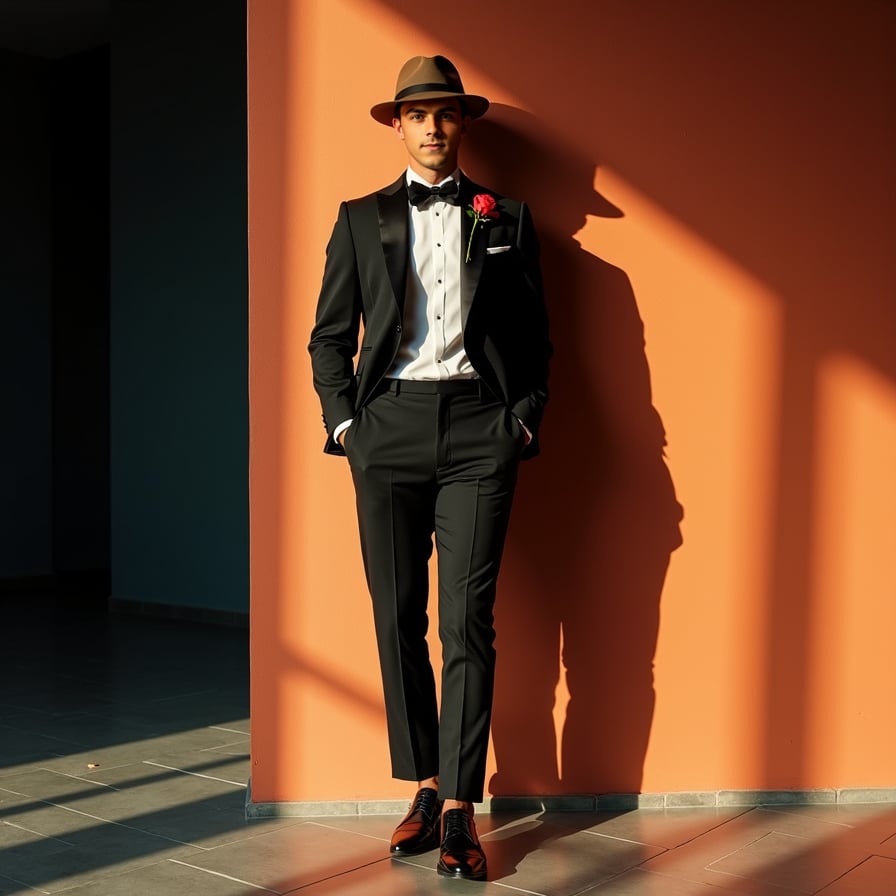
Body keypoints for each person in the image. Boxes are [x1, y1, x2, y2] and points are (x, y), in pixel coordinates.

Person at [308, 54, 551, 881]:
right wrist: (347, 425)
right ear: (399, 125)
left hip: (483, 427)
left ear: (463, 123)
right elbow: (329, 336)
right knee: (396, 613)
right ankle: (420, 784)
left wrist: (520, 420)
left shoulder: (507, 216)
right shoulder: (359, 217)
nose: (434, 127)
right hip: (389, 430)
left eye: (446, 113)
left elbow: (537, 339)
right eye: (419, 114)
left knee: (467, 622)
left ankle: (459, 808)